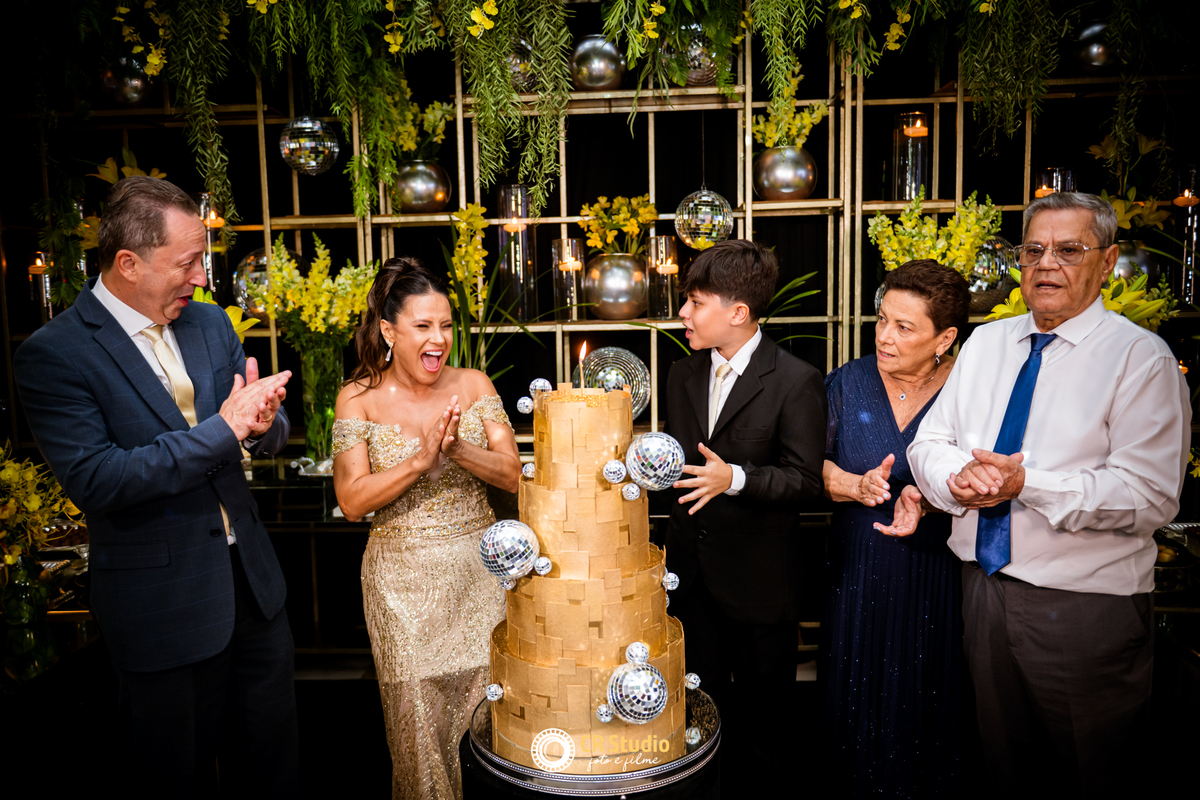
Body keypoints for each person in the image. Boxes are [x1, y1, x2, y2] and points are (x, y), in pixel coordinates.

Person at [14, 176, 297, 796]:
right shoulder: (55, 355)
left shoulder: (209, 325)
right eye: (188, 262)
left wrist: (262, 424)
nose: (202, 278)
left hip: (253, 591)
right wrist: (226, 429)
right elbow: (99, 478)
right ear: (128, 263)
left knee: (272, 775)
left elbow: (264, 431)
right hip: (162, 608)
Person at [908, 192, 1190, 797]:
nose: (1046, 265)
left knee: (1092, 775)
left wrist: (1026, 485)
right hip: (982, 593)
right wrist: (956, 480)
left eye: (1069, 250)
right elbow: (930, 441)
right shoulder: (986, 344)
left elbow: (1149, 496)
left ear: (1107, 261)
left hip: (1085, 609)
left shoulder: (1141, 359)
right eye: (1033, 250)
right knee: (1003, 770)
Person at [331, 257, 519, 800]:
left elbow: (513, 474)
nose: (438, 339)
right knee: (417, 731)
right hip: (401, 587)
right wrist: (419, 461)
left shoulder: (473, 384)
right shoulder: (358, 398)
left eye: (445, 325)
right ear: (389, 331)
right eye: (423, 326)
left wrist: (457, 449)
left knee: (491, 718)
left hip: (480, 577)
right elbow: (350, 501)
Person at [663, 239, 826, 794]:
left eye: (695, 302)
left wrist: (733, 478)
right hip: (689, 581)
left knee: (766, 725)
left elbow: (805, 481)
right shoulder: (680, 375)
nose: (683, 313)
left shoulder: (795, 380)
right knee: (696, 717)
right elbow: (680, 468)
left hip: (760, 586)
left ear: (738, 312)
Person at [821, 260, 969, 797]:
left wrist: (931, 502)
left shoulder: (970, 390)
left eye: (904, 327)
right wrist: (852, 485)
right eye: (883, 319)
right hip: (857, 569)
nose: (884, 336)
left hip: (940, 571)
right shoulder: (848, 381)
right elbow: (808, 465)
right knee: (854, 700)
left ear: (944, 338)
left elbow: (988, 478)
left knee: (932, 695)